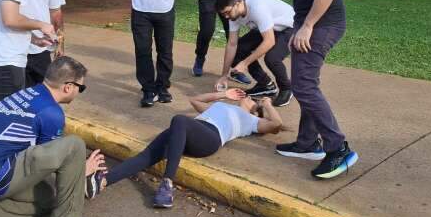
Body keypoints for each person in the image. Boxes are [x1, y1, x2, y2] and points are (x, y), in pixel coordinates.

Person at [260, 0, 358, 179]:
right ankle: (306, 143)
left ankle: (338, 148)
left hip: (322, 24)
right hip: (311, 22)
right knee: (306, 82)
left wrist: (308, 26)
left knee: (303, 86)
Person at [0, 56, 105, 217]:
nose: (79, 92)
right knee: (74, 145)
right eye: (81, 88)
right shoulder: (51, 113)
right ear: (68, 87)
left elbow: (41, 157)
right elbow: (51, 162)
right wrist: (82, 172)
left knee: (50, 197)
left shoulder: (27, 94)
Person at [84, 88, 283, 208]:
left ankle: (167, 183)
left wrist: (266, 104)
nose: (246, 96)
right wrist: (223, 94)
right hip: (186, 131)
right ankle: (102, 183)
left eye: (251, 99)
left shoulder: (251, 120)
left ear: (253, 109)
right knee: (146, 156)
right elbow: (195, 100)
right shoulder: (220, 106)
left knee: (179, 119)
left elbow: (276, 124)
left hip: (209, 139)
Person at [215, 0, 295, 107]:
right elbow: (232, 44)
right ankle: (266, 85)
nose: (226, 17)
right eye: (223, 14)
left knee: (272, 58)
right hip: (270, 28)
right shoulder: (233, 15)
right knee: (239, 49)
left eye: (227, 12)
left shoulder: (257, 8)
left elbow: (269, 41)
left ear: (237, 3)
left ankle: (286, 89)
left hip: (290, 27)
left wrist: (245, 63)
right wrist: (224, 76)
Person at [21, 0, 66, 87]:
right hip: (14, 49)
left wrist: (60, 44)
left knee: (44, 94)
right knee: (21, 97)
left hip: (40, 49)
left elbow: (56, 13)